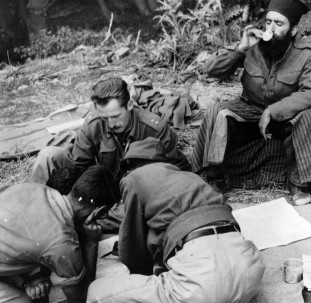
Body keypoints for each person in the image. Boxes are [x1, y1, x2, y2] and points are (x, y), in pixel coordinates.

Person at [191, 0, 311, 206]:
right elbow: (212, 70)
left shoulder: (305, 54)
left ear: (293, 30)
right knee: (218, 110)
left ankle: (299, 183)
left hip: (285, 118)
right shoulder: (253, 45)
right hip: (249, 111)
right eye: (268, 21)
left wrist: (272, 111)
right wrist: (241, 48)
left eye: (279, 23)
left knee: (309, 115)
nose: (271, 28)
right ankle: (217, 177)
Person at [87, 139, 265, 303]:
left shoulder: (133, 178)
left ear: (131, 164)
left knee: (96, 292)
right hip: (251, 272)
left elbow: (132, 240)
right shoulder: (190, 178)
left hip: (203, 287)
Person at [30, 77, 190, 185]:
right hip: (101, 185)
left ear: (129, 105)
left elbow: (177, 170)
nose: (111, 124)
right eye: (105, 118)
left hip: (139, 188)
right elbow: (78, 168)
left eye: (115, 116)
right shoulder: (93, 124)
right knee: (48, 154)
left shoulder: (154, 128)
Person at [0, 165, 119, 303]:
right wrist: (91, 242)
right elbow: (81, 298)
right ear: (98, 212)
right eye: (104, 214)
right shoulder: (62, 242)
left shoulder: (38, 188)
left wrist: (24, 282)